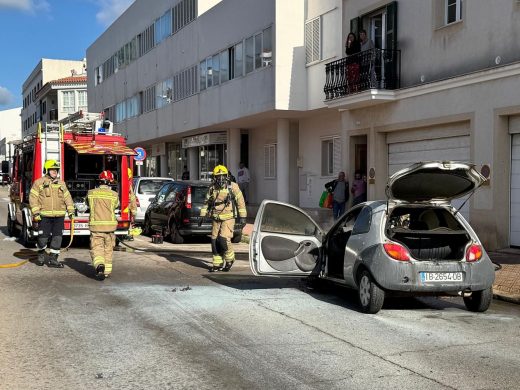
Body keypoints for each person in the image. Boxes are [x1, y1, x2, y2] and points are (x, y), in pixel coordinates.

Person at [200, 165, 246, 272]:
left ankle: (230, 259)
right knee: (214, 241)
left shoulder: (233, 187)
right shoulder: (212, 188)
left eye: (222, 176)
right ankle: (217, 263)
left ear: (226, 176)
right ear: (214, 177)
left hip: (228, 217)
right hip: (216, 217)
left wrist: (243, 217)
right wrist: (202, 215)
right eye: (218, 176)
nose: (220, 179)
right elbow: (206, 203)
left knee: (223, 239)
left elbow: (241, 202)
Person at [29, 159, 75, 267]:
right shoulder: (39, 182)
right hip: (44, 216)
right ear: (47, 170)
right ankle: (41, 254)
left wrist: (71, 211)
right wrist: (36, 213)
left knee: (57, 238)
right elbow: (33, 198)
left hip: (59, 216)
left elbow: (67, 197)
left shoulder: (61, 183)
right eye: (52, 170)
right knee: (43, 238)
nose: (55, 172)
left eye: (56, 170)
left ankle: (53, 259)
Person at [87, 170, 119, 280]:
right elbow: (116, 206)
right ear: (109, 183)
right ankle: (106, 272)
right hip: (110, 228)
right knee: (108, 249)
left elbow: (87, 204)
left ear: (99, 181)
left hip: (96, 227)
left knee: (97, 248)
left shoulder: (91, 193)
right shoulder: (114, 195)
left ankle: (100, 266)